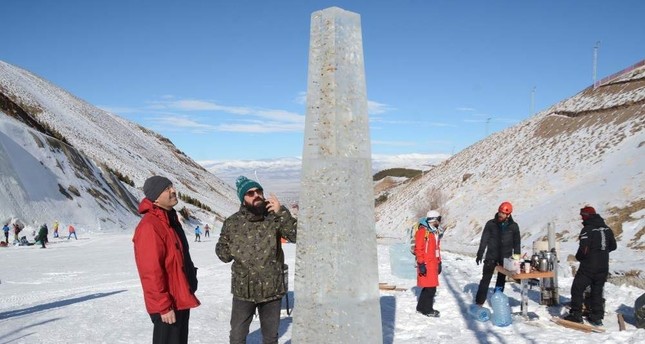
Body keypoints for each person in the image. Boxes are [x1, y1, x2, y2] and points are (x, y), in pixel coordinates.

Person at [216, 176, 297, 344]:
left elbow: (296, 236)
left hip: (271, 290)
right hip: (243, 291)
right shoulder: (232, 223)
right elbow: (222, 254)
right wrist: (231, 248)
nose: (256, 195)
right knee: (237, 336)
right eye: (250, 193)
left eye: (259, 191)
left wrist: (281, 211)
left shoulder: (274, 218)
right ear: (243, 199)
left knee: (270, 338)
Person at [133, 176, 200, 344]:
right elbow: (151, 272)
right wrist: (163, 306)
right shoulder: (150, 226)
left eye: (172, 186)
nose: (173, 190)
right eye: (166, 189)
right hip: (168, 304)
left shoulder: (169, 220)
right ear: (155, 197)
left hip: (180, 296)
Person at [564, 206, 616, 326]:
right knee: (597, 290)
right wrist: (602, 251)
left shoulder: (588, 229)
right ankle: (597, 316)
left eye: (582, 216)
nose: (581, 218)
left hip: (589, 266)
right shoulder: (607, 229)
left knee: (577, 288)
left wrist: (579, 257)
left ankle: (576, 314)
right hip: (603, 265)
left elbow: (584, 249)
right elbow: (613, 246)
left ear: (586, 216)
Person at [474, 201, 521, 305]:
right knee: (485, 279)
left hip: (505, 258)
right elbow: (484, 240)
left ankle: (497, 301)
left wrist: (516, 258)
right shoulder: (491, 224)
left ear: (508, 215)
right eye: (500, 212)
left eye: (503, 213)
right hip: (491, 256)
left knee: (501, 280)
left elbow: (517, 243)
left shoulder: (514, 226)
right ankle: (479, 302)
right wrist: (480, 253)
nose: (500, 215)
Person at [415, 210, 444, 317]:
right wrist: (421, 263)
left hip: (433, 263)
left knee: (429, 287)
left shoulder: (435, 231)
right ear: (434, 219)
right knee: (431, 288)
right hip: (426, 263)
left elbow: (437, 248)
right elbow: (419, 249)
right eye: (439, 219)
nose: (440, 221)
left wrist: (439, 261)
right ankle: (427, 309)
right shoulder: (422, 231)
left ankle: (420, 307)